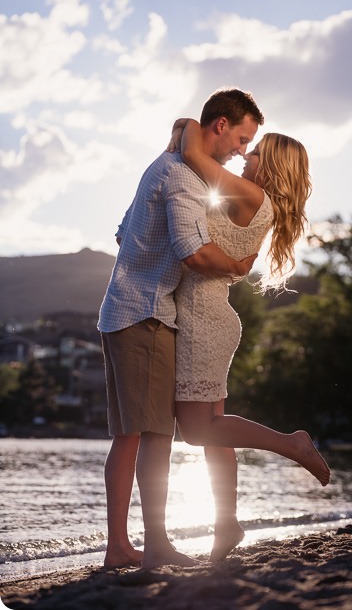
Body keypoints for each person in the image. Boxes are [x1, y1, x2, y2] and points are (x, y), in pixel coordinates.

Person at [98, 88, 265, 569]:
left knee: (130, 435)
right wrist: (236, 265)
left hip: (120, 311)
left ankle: (120, 547)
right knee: (153, 436)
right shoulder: (185, 177)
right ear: (220, 126)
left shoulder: (164, 163)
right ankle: (152, 546)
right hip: (148, 316)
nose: (241, 150)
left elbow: (121, 230)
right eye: (241, 138)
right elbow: (193, 251)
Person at [168, 118, 331, 562]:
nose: (244, 155)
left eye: (254, 152)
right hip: (212, 318)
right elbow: (238, 263)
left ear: (270, 167)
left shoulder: (252, 196)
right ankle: (226, 524)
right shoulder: (263, 205)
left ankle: (291, 443)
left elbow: (193, 156)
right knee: (214, 432)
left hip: (203, 320)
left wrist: (187, 124)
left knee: (198, 431)